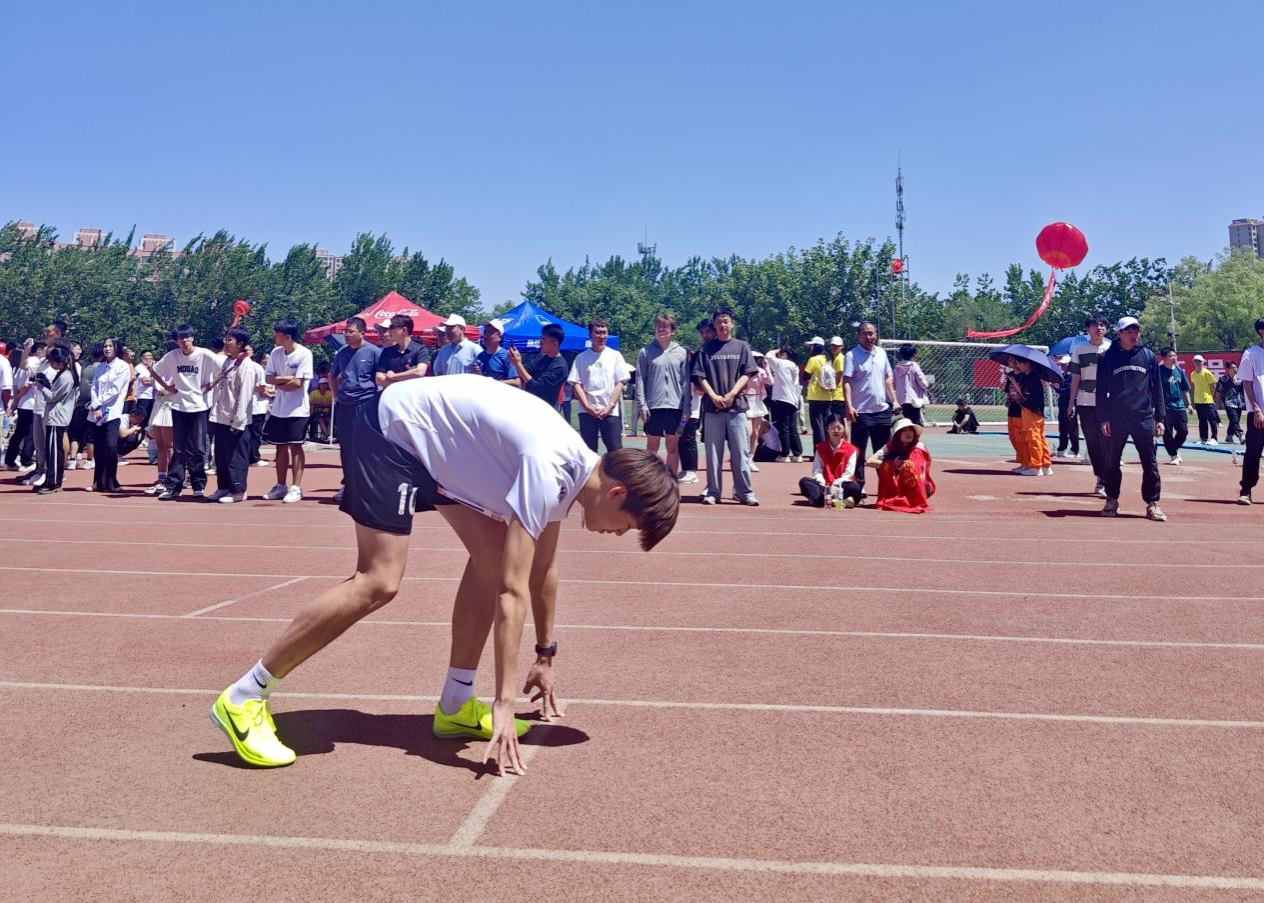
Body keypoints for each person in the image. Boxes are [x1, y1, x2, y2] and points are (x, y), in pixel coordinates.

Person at [210, 375, 680, 772]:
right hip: (391, 431)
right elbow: (513, 593)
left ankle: (455, 704)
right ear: (616, 494)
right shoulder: (548, 467)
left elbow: (544, 569)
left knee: (493, 560)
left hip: (437, 447)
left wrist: (545, 655)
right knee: (379, 581)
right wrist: (503, 702)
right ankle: (244, 696)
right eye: (629, 526)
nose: (620, 534)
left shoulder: (576, 472)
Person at [1096, 317, 1165, 521]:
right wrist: (1103, 418)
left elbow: (1157, 389)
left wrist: (1160, 418)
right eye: (1128, 331)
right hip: (1116, 418)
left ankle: (1153, 504)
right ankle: (1112, 500)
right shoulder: (1107, 357)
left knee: (1150, 462)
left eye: (1136, 331)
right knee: (1112, 462)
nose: (1133, 334)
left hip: (1143, 417)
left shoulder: (1148, 356)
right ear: (1119, 334)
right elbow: (1101, 390)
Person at [692, 306, 760, 506]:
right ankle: (713, 492)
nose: (722, 325)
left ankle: (745, 492)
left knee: (740, 452)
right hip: (712, 409)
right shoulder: (705, 349)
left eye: (726, 321)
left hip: (736, 408)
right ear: (714, 325)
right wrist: (713, 396)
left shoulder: (742, 346)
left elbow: (747, 373)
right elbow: (700, 377)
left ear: (732, 324)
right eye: (719, 322)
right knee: (713, 454)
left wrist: (731, 394)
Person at [154, 325, 221, 500]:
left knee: (198, 448)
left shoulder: (205, 355)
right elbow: (155, 371)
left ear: (193, 338)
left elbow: (222, 371)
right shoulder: (172, 356)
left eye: (187, 337)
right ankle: (173, 487)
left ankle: (198, 485)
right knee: (179, 448)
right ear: (176, 341)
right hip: (179, 407)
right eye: (181, 338)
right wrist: (167, 387)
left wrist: (210, 386)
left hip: (199, 407)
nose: (185, 341)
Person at [330, 317, 381, 502]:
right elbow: (332, 376)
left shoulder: (374, 352)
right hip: (345, 404)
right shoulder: (342, 352)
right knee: (346, 446)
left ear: (362, 333)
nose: (347, 334)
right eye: (346, 331)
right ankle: (349, 485)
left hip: (365, 403)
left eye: (351, 331)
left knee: (366, 445)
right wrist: (336, 396)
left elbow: (380, 378)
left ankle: (368, 485)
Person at [843, 321, 897, 497]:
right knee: (858, 451)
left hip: (882, 410)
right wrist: (849, 406)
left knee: (883, 452)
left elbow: (887, 378)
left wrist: (894, 400)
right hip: (861, 411)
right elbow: (846, 382)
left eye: (871, 333)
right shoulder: (851, 355)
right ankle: (858, 486)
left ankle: (886, 486)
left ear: (876, 334)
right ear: (858, 336)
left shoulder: (881, 353)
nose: (869, 337)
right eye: (865, 334)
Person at [263, 319, 314, 504]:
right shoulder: (276, 353)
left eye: (277, 334)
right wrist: (286, 378)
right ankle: (280, 485)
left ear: (288, 337)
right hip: (278, 409)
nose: (274, 337)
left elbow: (297, 384)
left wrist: (281, 382)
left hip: (298, 409)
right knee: (280, 446)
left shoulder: (304, 354)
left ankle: (296, 487)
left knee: (296, 446)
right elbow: (268, 378)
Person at [207, 326, 260, 503]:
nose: (226, 343)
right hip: (220, 416)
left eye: (230, 339)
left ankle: (238, 490)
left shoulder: (247, 365)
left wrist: (238, 421)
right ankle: (223, 487)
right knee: (221, 456)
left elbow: (244, 395)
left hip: (236, 420)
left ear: (240, 343)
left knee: (236, 457)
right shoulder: (227, 362)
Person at [635, 312, 691, 478]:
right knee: (652, 448)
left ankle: (671, 481)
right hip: (654, 407)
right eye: (659, 326)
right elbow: (640, 379)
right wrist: (642, 405)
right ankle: (650, 482)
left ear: (672, 330)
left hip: (675, 407)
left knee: (672, 448)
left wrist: (686, 406)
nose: (661, 330)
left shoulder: (681, 352)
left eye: (665, 327)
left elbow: (686, 381)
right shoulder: (645, 352)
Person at [569, 318, 631, 454]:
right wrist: (587, 406)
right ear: (590, 334)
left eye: (604, 333)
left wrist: (609, 406)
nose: (601, 336)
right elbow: (576, 383)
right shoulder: (581, 357)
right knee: (588, 452)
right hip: (587, 412)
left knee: (616, 451)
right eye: (598, 333)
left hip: (610, 412)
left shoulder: (615, 355)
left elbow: (620, 382)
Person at [1068, 314, 1112, 498]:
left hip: (1108, 403)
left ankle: (1107, 480)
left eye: (1102, 325)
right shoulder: (1080, 349)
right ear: (1088, 329)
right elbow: (1076, 377)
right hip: (1085, 402)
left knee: (1108, 442)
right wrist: (1071, 401)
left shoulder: (1112, 348)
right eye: (1095, 325)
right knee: (1093, 442)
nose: (1099, 328)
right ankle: (1100, 477)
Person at [31, 345, 77, 494]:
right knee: (52, 451)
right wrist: (45, 383)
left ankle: (54, 483)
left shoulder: (65, 377)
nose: (51, 364)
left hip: (57, 418)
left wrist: (40, 386)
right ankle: (50, 480)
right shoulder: (63, 374)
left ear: (60, 361)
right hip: (55, 417)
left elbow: (52, 396)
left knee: (54, 452)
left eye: (53, 361)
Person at [866, 418, 936, 513]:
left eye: (911, 430)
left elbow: (915, 468)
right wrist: (892, 464)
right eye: (904, 430)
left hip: (919, 484)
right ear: (897, 434)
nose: (909, 433)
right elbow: (869, 461)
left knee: (909, 466)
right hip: (899, 483)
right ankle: (895, 496)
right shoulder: (891, 445)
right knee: (886, 466)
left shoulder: (918, 447)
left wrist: (898, 465)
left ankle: (911, 499)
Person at [89, 337, 131, 493]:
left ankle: (112, 481)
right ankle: (98, 482)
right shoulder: (100, 367)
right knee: (98, 447)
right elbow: (94, 386)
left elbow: (115, 390)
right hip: (97, 412)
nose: (107, 349)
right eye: (105, 346)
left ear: (116, 348)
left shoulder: (122, 366)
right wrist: (95, 405)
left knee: (111, 445)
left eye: (110, 346)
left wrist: (98, 403)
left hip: (112, 411)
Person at [675, 321, 711, 485]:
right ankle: (686, 468)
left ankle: (692, 471)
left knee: (689, 438)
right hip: (685, 406)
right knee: (682, 437)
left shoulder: (701, 357)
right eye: (702, 332)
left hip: (694, 407)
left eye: (707, 331)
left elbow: (699, 387)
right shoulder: (694, 359)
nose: (705, 335)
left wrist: (700, 388)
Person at [798, 413, 861, 508]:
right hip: (824, 485)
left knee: (855, 487)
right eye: (832, 428)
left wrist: (835, 485)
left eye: (839, 428)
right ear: (827, 429)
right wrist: (823, 483)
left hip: (842, 485)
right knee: (804, 482)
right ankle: (838, 501)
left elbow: (849, 473)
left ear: (844, 429)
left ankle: (820, 500)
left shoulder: (852, 449)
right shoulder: (821, 448)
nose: (836, 431)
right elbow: (817, 469)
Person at [507, 323, 569, 412]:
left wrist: (518, 364)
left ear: (555, 344)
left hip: (545, 411)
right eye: (541, 338)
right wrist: (516, 361)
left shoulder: (560, 366)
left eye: (544, 339)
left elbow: (537, 388)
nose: (540, 342)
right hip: (529, 407)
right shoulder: (541, 357)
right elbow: (526, 373)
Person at [1008, 355, 1052, 477]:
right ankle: (1045, 465)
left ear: (1027, 364)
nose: (1019, 365)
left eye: (1020, 363)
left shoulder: (1031, 378)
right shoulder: (1031, 377)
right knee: (1040, 437)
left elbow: (1025, 395)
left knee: (1033, 437)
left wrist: (1014, 384)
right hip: (1034, 411)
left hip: (1031, 410)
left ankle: (1036, 466)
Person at [1236, 318, 1264, 505]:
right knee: (1253, 453)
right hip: (1258, 414)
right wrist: (1256, 408)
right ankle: (1246, 490)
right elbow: (1247, 383)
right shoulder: (1251, 354)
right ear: (1261, 331)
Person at [143, 341, 177, 494]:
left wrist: (154, 379)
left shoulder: (176, 368)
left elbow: (170, 389)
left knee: (169, 446)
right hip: (159, 405)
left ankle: (173, 479)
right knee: (160, 445)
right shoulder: (162, 367)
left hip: (170, 406)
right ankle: (162, 478)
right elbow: (154, 383)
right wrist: (151, 378)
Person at [803, 336, 844, 447]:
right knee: (826, 425)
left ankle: (819, 450)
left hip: (815, 396)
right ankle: (828, 447)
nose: (810, 348)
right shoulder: (828, 360)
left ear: (815, 347)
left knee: (817, 425)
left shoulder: (813, 360)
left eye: (812, 346)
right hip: (828, 396)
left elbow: (805, 375)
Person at [766, 347, 804, 462]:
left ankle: (785, 454)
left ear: (784, 354)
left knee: (783, 427)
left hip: (782, 398)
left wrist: (776, 350)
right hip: (793, 398)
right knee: (792, 427)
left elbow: (768, 356)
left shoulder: (780, 363)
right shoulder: (794, 366)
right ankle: (797, 454)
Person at [5, 344, 37, 474]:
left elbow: (17, 386)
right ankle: (26, 460)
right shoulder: (29, 366)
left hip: (23, 404)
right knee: (30, 434)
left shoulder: (17, 369)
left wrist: (16, 401)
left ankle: (10, 459)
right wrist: (18, 398)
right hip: (30, 404)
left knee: (19, 433)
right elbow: (26, 385)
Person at [375, 314, 431, 390]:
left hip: (413, 395)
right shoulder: (387, 352)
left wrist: (394, 376)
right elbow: (379, 378)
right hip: (393, 395)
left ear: (404, 330)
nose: (389, 331)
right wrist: (403, 386)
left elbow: (419, 371)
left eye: (392, 327)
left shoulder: (420, 349)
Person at [68, 342, 100, 472]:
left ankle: (72, 459)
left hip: (80, 403)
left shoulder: (85, 367)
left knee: (76, 434)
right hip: (93, 404)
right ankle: (90, 459)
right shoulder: (102, 368)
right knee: (91, 434)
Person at [1158, 348, 1192, 465]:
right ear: (1164, 358)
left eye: (1175, 356)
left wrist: (1189, 404)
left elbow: (1185, 388)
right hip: (1165, 407)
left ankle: (1175, 449)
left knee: (1183, 431)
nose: (1174, 358)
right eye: (1170, 356)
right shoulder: (1159, 371)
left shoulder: (1180, 371)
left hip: (1179, 406)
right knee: (1167, 433)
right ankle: (1173, 455)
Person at [743, 351, 773, 471]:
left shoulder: (761, 371)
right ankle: (743, 457)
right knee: (748, 430)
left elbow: (771, 381)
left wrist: (767, 367)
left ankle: (750, 459)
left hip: (757, 400)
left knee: (755, 431)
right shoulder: (743, 370)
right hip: (745, 400)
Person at [246, 346, 272, 468]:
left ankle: (248, 456)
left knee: (249, 433)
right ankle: (254, 458)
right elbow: (262, 390)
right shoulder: (257, 367)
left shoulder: (238, 365)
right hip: (257, 405)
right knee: (255, 433)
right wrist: (272, 396)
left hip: (249, 405)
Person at [893, 343, 930, 426]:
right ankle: (915, 434)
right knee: (916, 421)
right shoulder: (914, 366)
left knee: (908, 419)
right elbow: (921, 380)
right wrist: (925, 385)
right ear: (913, 355)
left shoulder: (897, 367)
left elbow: (893, 382)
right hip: (914, 398)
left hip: (902, 398)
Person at [1053, 355, 1081, 460]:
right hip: (1063, 404)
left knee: (1072, 427)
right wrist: (1056, 388)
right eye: (1062, 364)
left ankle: (1075, 450)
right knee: (1063, 427)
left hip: (1071, 404)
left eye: (1064, 364)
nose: (1063, 366)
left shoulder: (1073, 376)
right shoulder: (1064, 375)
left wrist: (1057, 389)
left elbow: (1070, 390)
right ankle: (1062, 448)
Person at [1188, 355, 1219, 445]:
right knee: (1202, 421)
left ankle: (1214, 438)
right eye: (1195, 361)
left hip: (1208, 401)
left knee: (1212, 420)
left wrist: (1211, 397)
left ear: (1203, 362)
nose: (1197, 363)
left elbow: (1213, 386)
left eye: (1199, 361)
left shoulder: (1207, 373)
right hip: (1198, 401)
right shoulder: (1193, 374)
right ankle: (1203, 438)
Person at [1217, 361, 1245, 444]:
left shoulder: (1241, 379)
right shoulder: (1223, 379)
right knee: (1234, 418)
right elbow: (1219, 391)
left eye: (1236, 367)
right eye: (1232, 368)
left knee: (1235, 419)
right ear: (1228, 369)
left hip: (1239, 403)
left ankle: (1229, 436)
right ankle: (1240, 434)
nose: (1235, 369)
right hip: (1229, 403)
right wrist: (1219, 404)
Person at [134, 350, 156, 425]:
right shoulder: (139, 367)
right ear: (142, 358)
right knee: (141, 419)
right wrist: (155, 380)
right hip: (143, 396)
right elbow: (145, 382)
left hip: (153, 397)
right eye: (147, 357)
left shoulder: (154, 367)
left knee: (149, 420)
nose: (149, 359)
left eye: (151, 357)